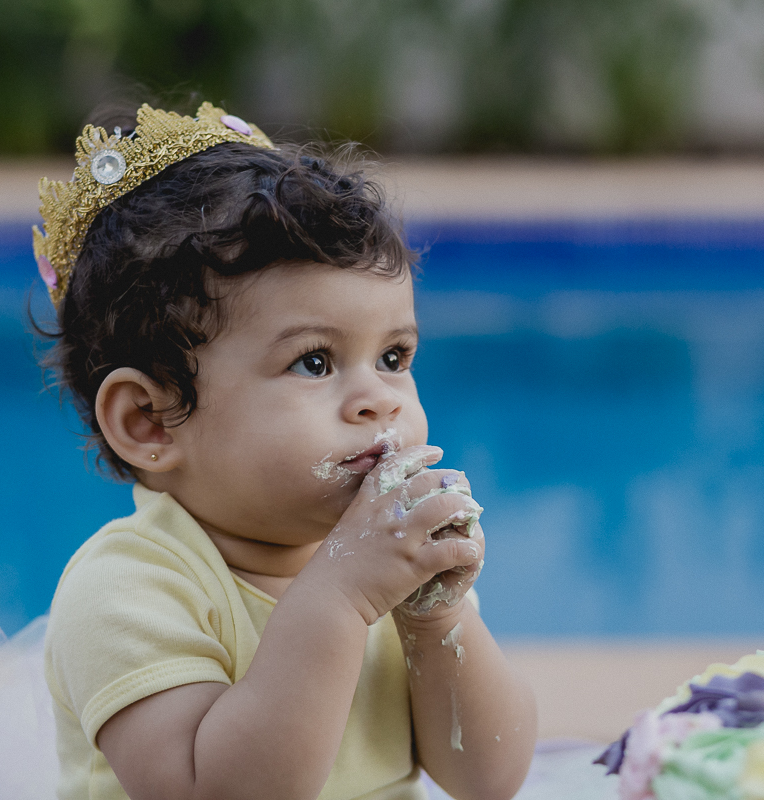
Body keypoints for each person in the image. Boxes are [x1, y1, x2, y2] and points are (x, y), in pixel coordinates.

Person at [35, 101, 538, 800]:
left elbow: (489, 779)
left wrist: (436, 618)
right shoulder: (130, 588)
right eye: (313, 362)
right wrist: (337, 597)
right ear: (150, 422)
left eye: (394, 355)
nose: (379, 399)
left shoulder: (386, 560)